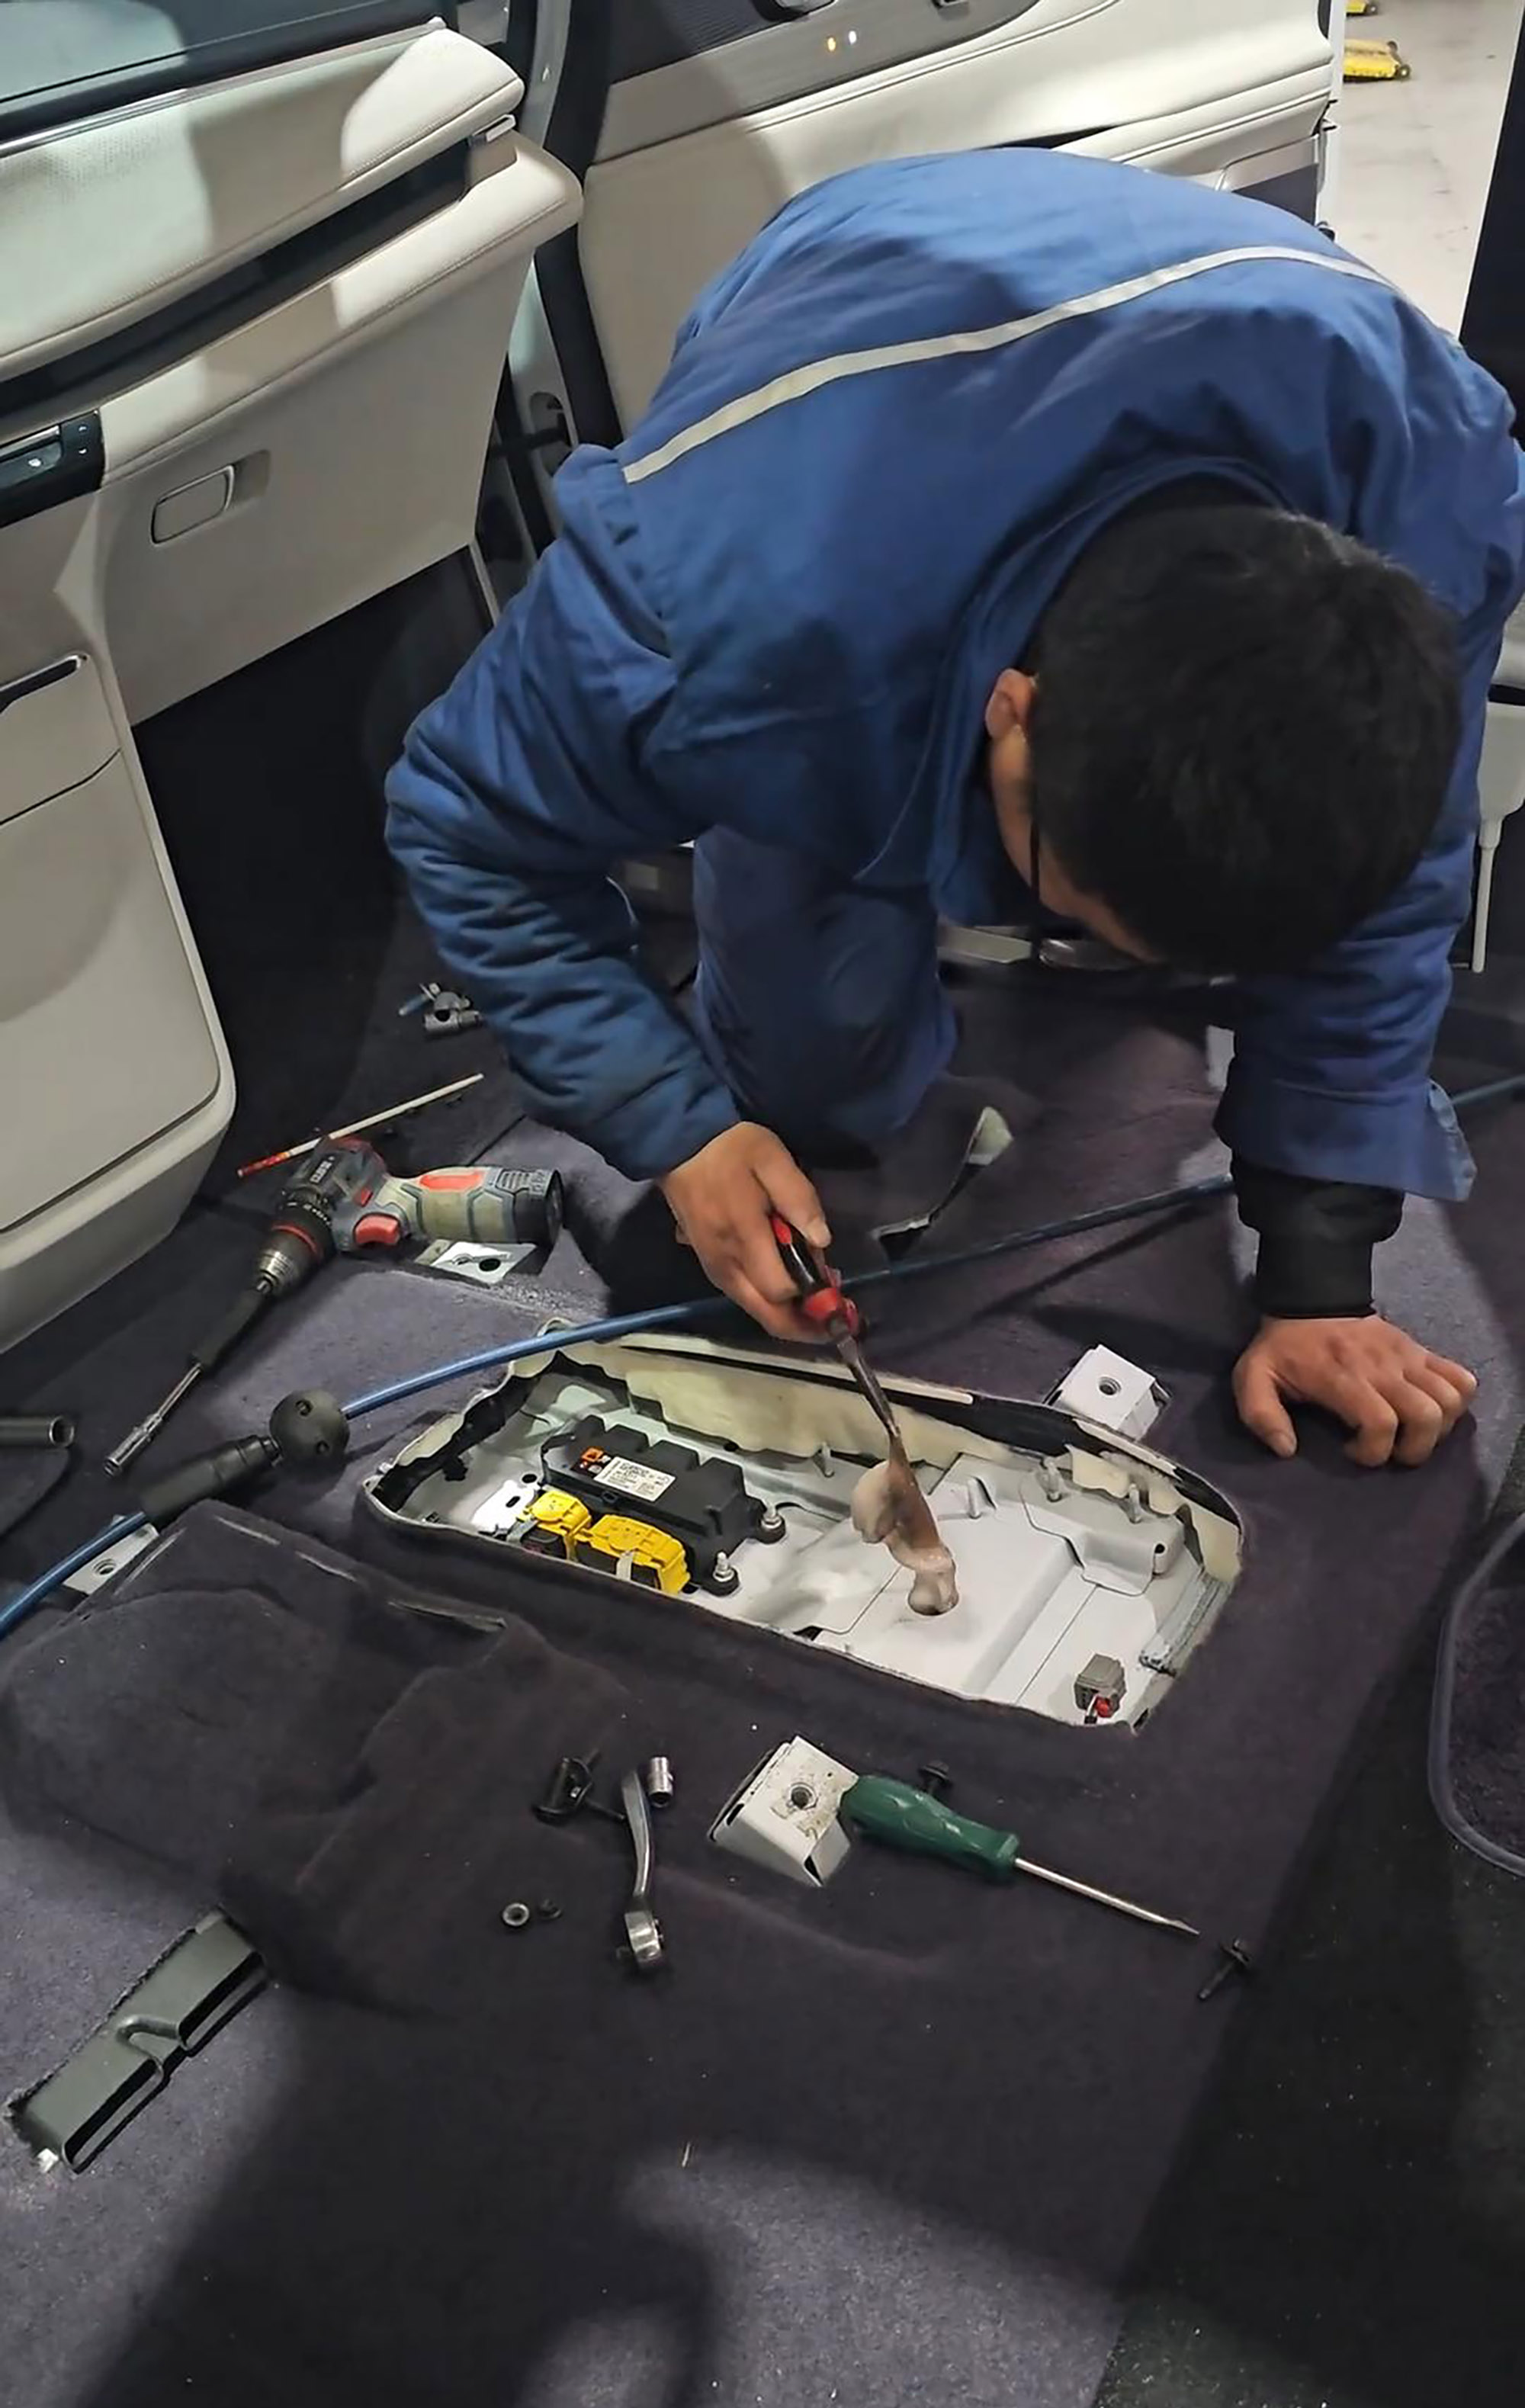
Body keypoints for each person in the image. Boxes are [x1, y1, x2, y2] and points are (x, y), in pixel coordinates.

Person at [387, 149, 1525, 1468]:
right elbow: (467, 826)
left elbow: (1390, 904)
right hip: (860, 295)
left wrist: (1321, 1275)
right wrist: (682, 1130)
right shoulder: (715, 620)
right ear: (1014, 711)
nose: (1095, 952)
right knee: (811, 1064)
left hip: (1269, 330)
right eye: (1077, 903)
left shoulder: (1429, 507)